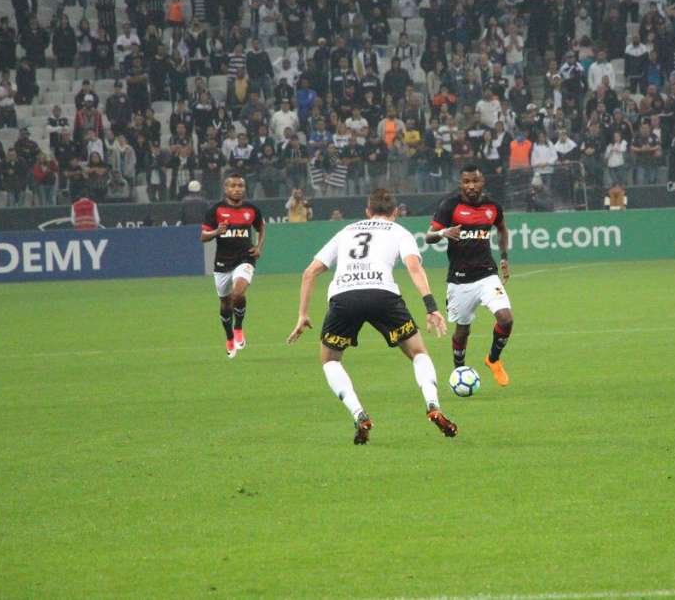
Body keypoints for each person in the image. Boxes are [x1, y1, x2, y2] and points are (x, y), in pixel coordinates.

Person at [286, 188, 457, 445]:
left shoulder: (346, 231)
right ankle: (432, 404)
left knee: (330, 361)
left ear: (367, 211)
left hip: (344, 298)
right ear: (395, 212)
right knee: (418, 352)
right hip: (383, 296)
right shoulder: (400, 232)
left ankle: (359, 414)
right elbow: (414, 267)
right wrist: (431, 306)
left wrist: (302, 314)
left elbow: (309, 272)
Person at [425, 165, 514, 386]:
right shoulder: (450, 205)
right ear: (460, 183)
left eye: (475, 181)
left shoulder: (493, 207)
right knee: (462, 331)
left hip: (487, 275)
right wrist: (443, 232)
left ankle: (493, 359)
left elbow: (502, 229)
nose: (471, 186)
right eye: (466, 181)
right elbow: (428, 237)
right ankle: (459, 371)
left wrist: (503, 257)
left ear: (482, 181)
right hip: (459, 280)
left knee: (506, 318)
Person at [200, 172, 266, 359]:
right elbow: (203, 237)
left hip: (245, 259)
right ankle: (229, 336)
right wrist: (216, 231)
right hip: (222, 262)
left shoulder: (252, 209)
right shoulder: (215, 210)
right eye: (233, 186)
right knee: (225, 302)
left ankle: (238, 327)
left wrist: (258, 247)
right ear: (226, 188)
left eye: (240, 186)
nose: (237, 189)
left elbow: (261, 227)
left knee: (238, 293)